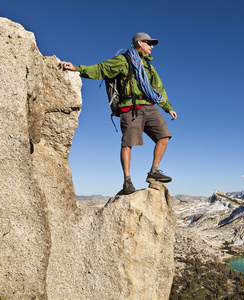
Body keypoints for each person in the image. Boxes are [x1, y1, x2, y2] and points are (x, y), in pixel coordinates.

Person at [59, 32, 177, 195]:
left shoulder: (149, 67)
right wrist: (77, 69)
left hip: (149, 106)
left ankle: (153, 172)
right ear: (139, 43)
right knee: (127, 143)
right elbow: (101, 69)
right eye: (149, 43)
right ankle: (127, 181)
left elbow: (159, 89)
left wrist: (167, 107)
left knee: (164, 136)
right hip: (130, 107)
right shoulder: (123, 60)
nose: (152, 47)